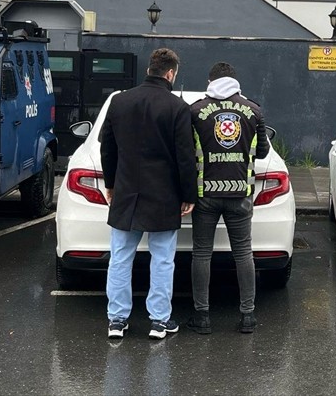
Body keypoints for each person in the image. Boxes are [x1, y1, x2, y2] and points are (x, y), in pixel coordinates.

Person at [101, 48, 198, 340]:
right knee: (163, 259)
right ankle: (159, 321)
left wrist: (110, 183)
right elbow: (185, 157)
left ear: (148, 70)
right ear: (170, 74)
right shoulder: (177, 107)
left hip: (126, 191)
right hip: (163, 194)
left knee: (120, 257)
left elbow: (108, 148)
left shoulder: (119, 101)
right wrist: (189, 194)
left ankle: (117, 320)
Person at [186, 62, 270, 335]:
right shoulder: (254, 110)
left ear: (210, 81)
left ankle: (202, 316)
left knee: (202, 253)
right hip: (240, 193)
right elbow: (263, 152)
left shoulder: (196, 111)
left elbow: (186, 150)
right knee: (243, 253)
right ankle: (248, 316)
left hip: (205, 194)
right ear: (235, 81)